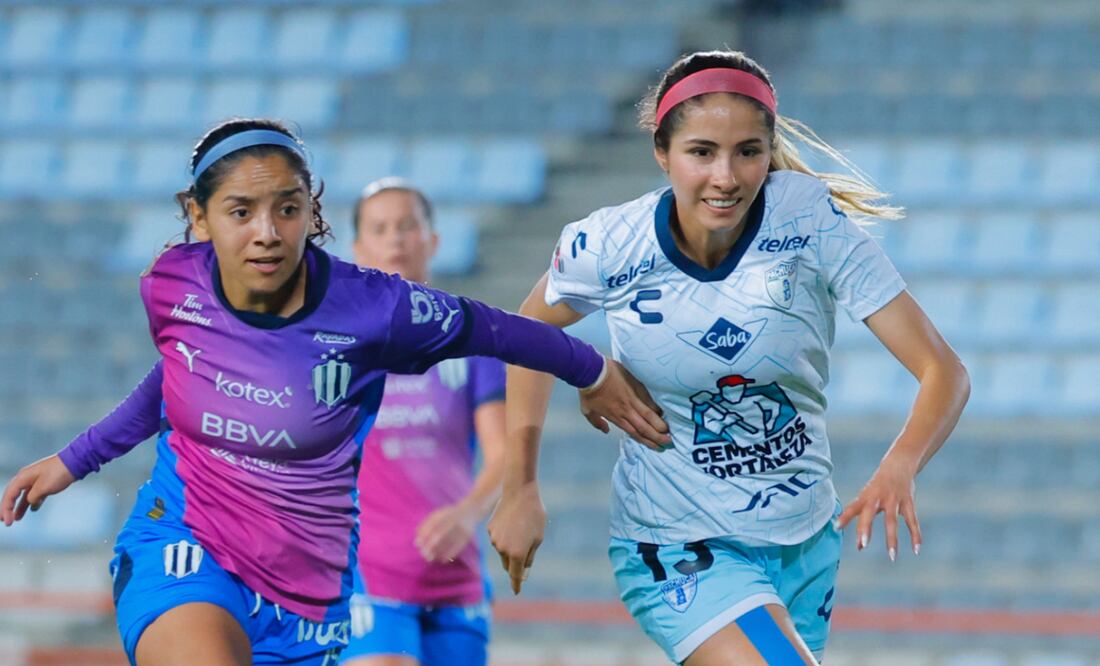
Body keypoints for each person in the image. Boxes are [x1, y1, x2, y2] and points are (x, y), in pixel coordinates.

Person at [0, 118, 668, 666]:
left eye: (286, 209)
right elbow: (179, 378)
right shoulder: (172, 285)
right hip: (184, 544)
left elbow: (498, 330)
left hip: (307, 587)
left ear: (310, 213)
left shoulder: (375, 310)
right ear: (198, 218)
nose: (266, 231)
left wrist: (596, 371)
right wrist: (74, 460)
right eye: (241, 211)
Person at [488, 50, 970, 665]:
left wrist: (901, 464)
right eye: (701, 152)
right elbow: (527, 332)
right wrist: (520, 483)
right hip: (677, 541)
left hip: (805, 539)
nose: (726, 176)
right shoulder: (608, 244)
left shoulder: (809, 220)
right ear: (662, 153)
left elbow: (943, 370)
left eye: (748, 151)